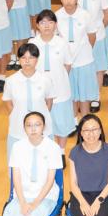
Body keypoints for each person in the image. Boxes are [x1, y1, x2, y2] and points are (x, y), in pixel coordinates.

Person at [3, 111, 64, 216]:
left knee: (35, 213)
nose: (33, 129)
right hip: (22, 195)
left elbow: (50, 180)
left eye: (37, 125)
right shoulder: (17, 147)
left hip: (45, 195)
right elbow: (15, 177)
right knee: (16, 213)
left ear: (44, 126)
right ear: (24, 128)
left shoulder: (53, 147)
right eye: (29, 125)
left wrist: (35, 203)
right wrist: (23, 202)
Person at [2, 42, 54, 158]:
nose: (27, 61)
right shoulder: (11, 81)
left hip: (41, 126)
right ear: (19, 59)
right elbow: (8, 102)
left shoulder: (45, 80)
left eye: (31, 57)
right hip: (19, 126)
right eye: (23, 58)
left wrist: (39, 120)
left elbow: (49, 102)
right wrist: (18, 116)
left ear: (37, 59)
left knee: (43, 159)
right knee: (19, 160)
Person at [31, 11, 75, 145]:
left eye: (50, 22)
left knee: (62, 124)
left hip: (60, 90)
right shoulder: (32, 43)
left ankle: (61, 151)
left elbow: (68, 64)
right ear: (37, 25)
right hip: (40, 91)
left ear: (55, 25)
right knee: (42, 124)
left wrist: (59, 78)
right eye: (43, 22)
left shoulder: (62, 43)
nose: (46, 26)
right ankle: (47, 150)